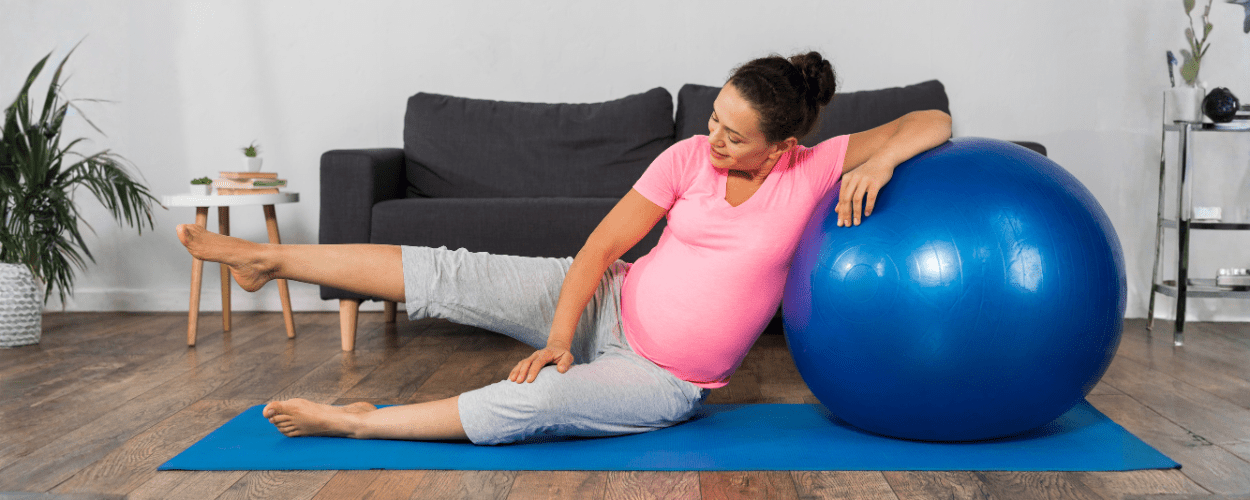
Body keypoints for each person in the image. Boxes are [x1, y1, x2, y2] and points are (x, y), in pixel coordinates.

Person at [176, 51, 952, 445]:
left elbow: (933, 121)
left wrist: (879, 161)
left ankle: (357, 423)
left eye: (732, 135)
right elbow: (601, 245)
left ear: (780, 146)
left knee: (538, 404)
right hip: (611, 295)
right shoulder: (687, 158)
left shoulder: (811, 168)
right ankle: (268, 260)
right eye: (713, 118)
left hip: (663, 379)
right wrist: (558, 336)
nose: (712, 138)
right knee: (454, 272)